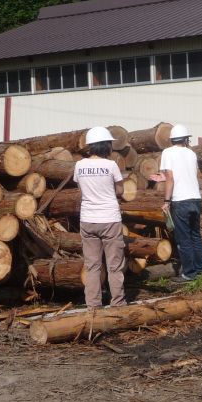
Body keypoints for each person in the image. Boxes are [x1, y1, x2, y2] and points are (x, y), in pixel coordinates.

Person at [74, 127, 127, 309]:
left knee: (92, 266)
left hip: (88, 219)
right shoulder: (111, 165)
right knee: (114, 265)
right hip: (109, 219)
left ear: (90, 146)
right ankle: (118, 303)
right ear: (106, 145)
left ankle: (93, 305)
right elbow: (120, 190)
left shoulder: (79, 165)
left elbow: (80, 191)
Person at [160, 124, 202, 282]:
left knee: (183, 238)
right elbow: (191, 174)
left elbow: (170, 178)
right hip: (195, 198)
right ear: (186, 138)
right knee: (195, 235)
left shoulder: (167, 152)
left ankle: (189, 272)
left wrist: (166, 201)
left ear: (172, 139)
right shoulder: (191, 153)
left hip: (180, 200)